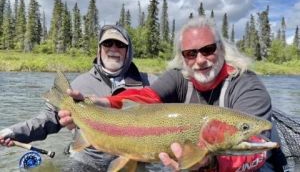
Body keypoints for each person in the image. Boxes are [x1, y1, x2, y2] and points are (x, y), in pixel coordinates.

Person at [61, 17, 285, 171]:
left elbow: (258, 149)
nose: (200, 60)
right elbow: (145, 98)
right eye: (190, 53)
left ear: (222, 49)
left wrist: (210, 164)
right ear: (183, 57)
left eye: (208, 50)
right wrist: (103, 103)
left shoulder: (248, 86)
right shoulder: (180, 77)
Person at [0, 25, 160, 171]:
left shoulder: (152, 84)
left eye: (120, 45)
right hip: (88, 161)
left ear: (128, 51)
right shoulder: (79, 85)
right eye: (107, 43)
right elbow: (47, 118)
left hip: (136, 162)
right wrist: (12, 132)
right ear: (99, 49)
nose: (113, 49)